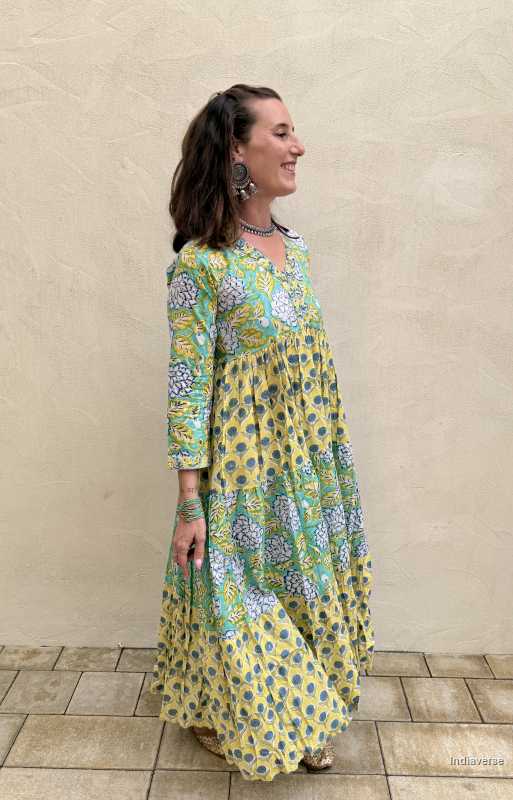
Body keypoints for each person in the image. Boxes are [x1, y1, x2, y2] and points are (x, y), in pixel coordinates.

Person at [149, 84, 375, 782]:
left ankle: (300, 713)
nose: (297, 145)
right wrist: (191, 500)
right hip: (243, 469)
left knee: (307, 582)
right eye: (280, 133)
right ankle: (242, 714)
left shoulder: (295, 250)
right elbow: (189, 385)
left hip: (306, 459)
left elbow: (306, 363)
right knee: (243, 595)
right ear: (237, 152)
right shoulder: (202, 265)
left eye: (293, 131)